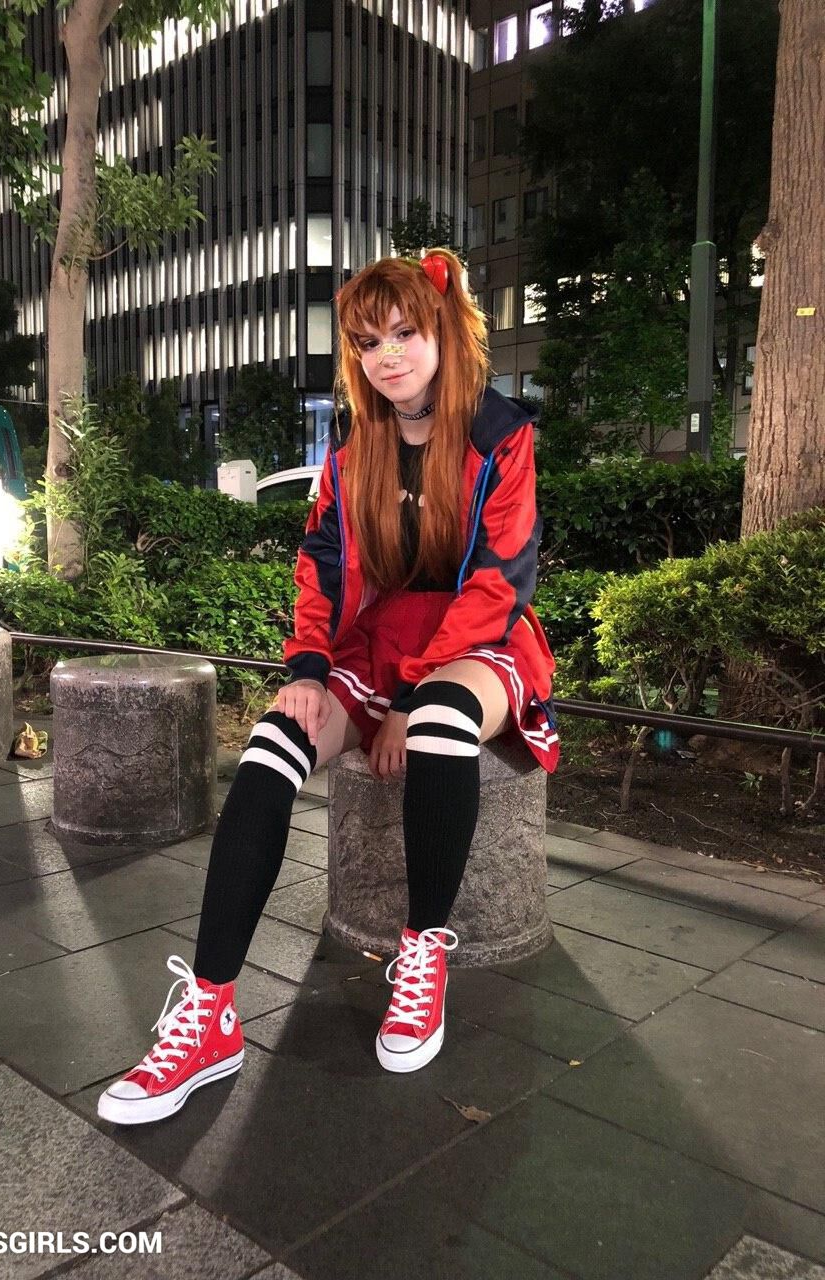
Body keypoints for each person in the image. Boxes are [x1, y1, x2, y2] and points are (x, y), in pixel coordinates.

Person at [98, 248, 559, 1127]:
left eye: (405, 333)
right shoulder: (355, 452)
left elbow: (500, 577)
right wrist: (310, 668)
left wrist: (411, 699)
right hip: (377, 640)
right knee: (272, 746)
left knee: (442, 721)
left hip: (479, 637)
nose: (388, 356)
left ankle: (422, 956)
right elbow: (323, 566)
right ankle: (210, 1011)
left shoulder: (501, 435)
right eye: (369, 342)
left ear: (442, 332)